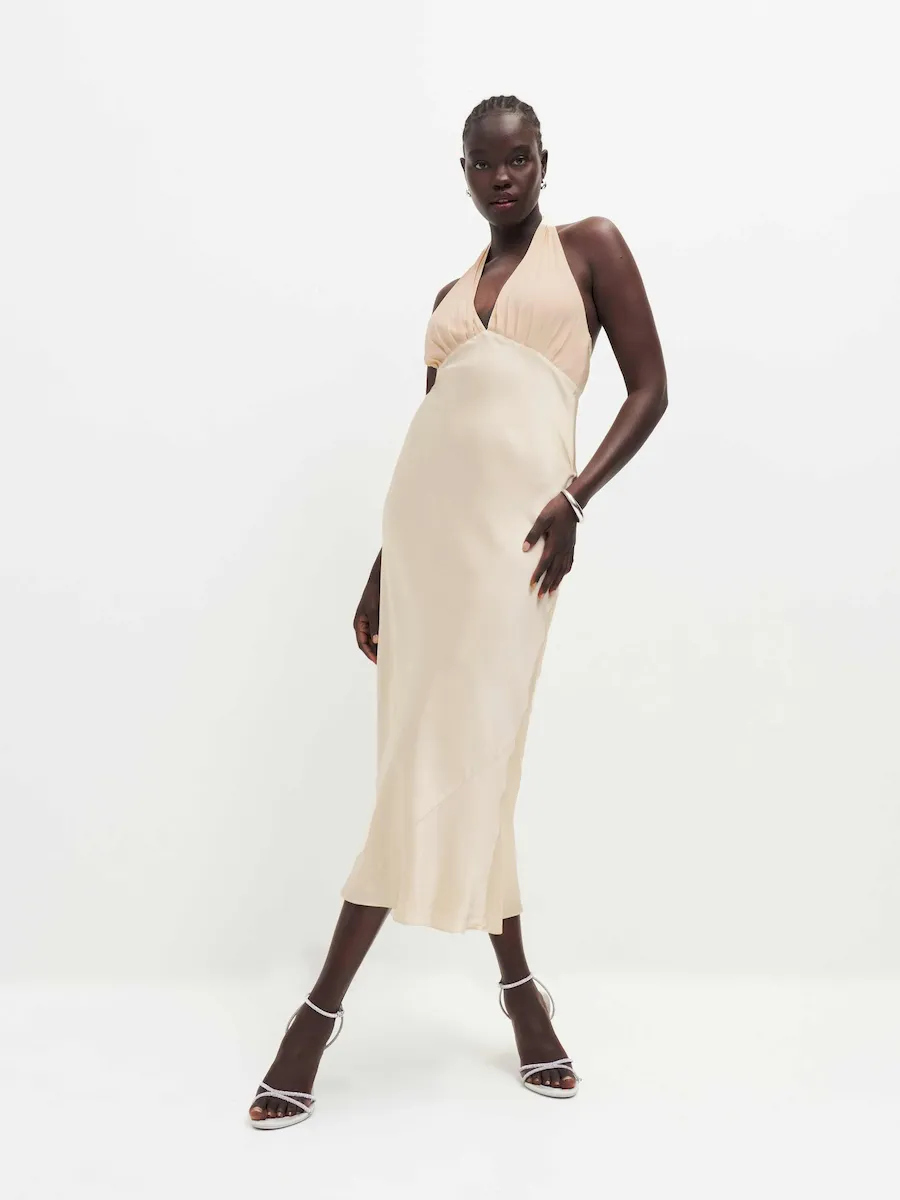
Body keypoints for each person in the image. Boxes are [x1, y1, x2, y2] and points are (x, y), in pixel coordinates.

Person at [248, 94, 668, 1129]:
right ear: (465, 172)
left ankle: (317, 1013)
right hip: (425, 546)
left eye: (518, 159)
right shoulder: (447, 294)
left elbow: (650, 390)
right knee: (443, 759)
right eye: (484, 164)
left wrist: (576, 499)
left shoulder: (591, 248)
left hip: (519, 542)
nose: (502, 177)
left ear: (544, 160)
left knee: (467, 754)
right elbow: (435, 428)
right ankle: (522, 997)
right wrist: (380, 569)